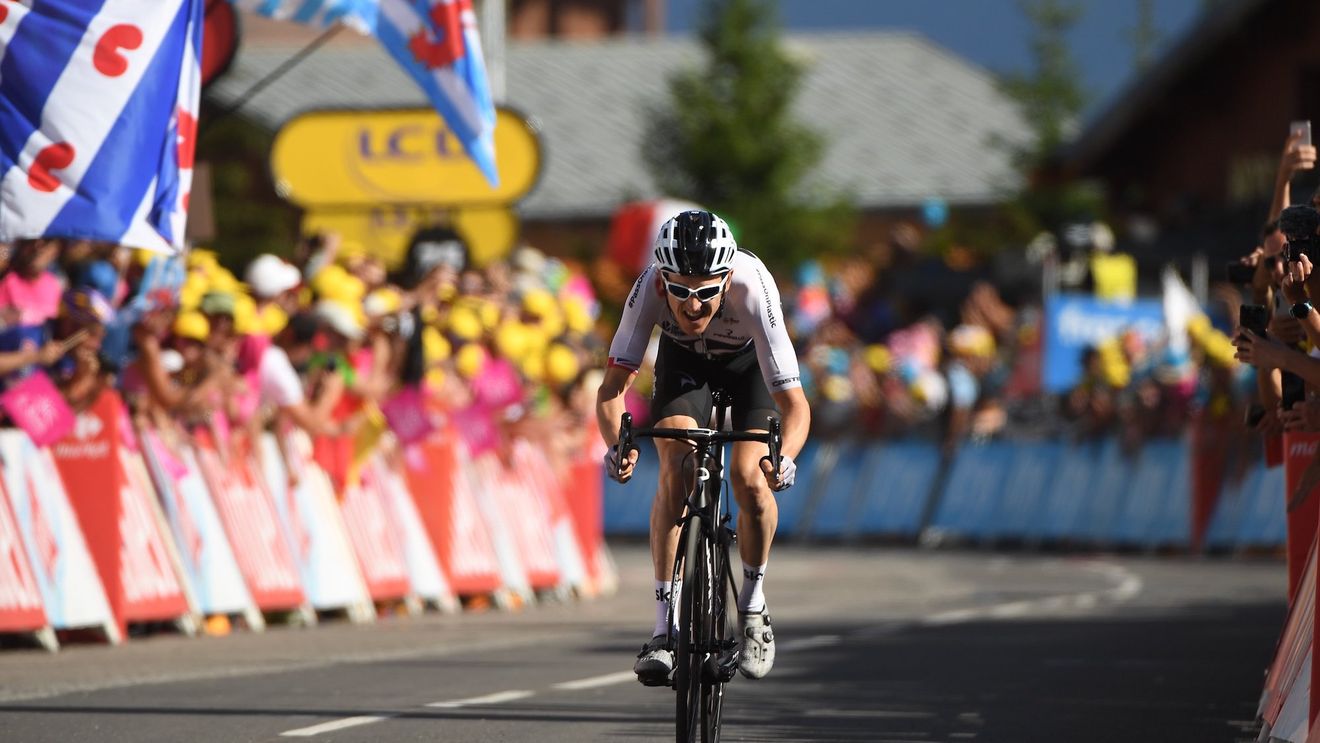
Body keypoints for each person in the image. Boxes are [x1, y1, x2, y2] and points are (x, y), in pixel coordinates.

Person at [594, 210, 810, 684]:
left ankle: (752, 606)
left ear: (727, 280)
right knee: (677, 465)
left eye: (707, 292)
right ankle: (664, 630)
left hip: (749, 369)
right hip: (685, 366)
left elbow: (795, 405)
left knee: (750, 478)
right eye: (681, 290)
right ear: (662, 281)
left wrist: (785, 458)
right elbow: (611, 390)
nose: (693, 306)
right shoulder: (647, 289)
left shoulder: (752, 287)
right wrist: (616, 445)